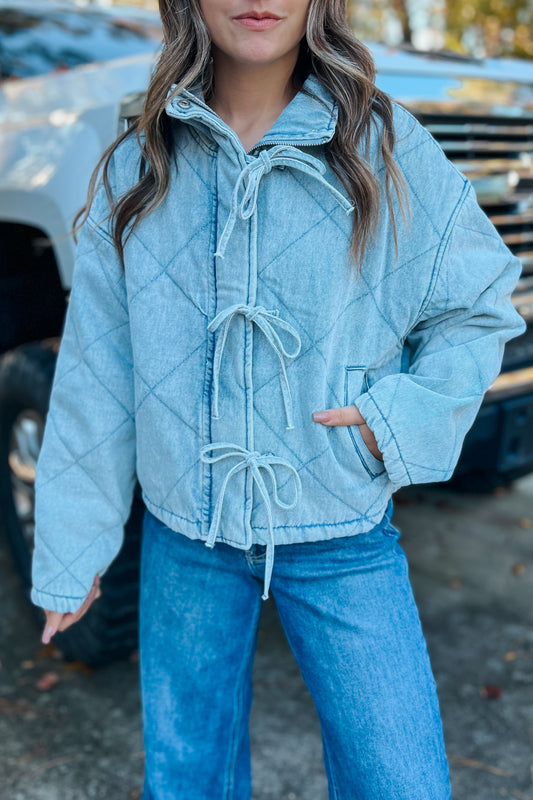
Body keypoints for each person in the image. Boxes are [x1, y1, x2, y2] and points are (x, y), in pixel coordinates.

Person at [31, 1, 525, 798]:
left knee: (402, 782)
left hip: (340, 527)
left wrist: (394, 422)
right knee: (188, 780)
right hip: (184, 533)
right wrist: (71, 547)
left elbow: (477, 303)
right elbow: (98, 364)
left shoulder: (385, 144)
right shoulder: (139, 160)